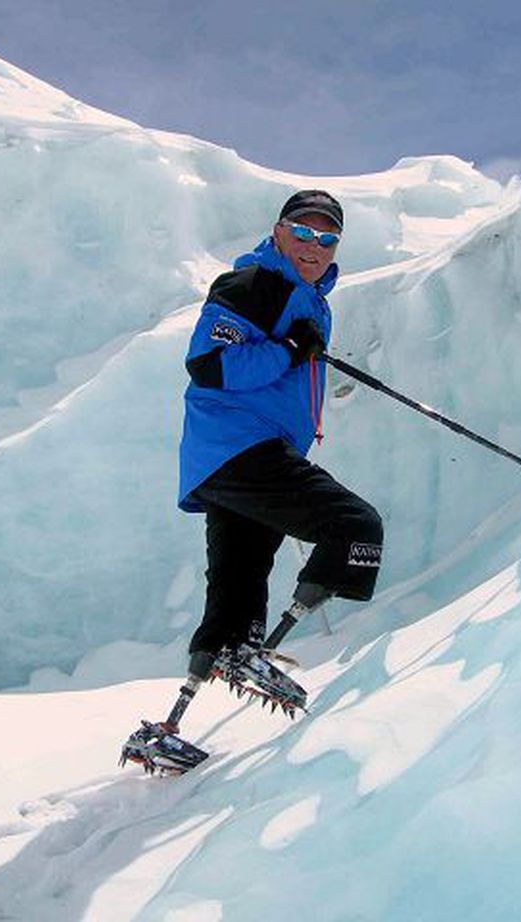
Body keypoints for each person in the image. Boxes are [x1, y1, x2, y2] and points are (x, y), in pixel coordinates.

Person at [178, 190, 384, 681]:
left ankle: (182, 711)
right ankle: (271, 642)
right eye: (304, 232)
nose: (315, 246)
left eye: (328, 238)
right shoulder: (253, 285)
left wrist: (294, 345)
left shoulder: (307, 301)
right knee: (356, 526)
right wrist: (291, 348)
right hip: (242, 447)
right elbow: (209, 364)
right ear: (278, 232)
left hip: (229, 457)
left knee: (239, 582)